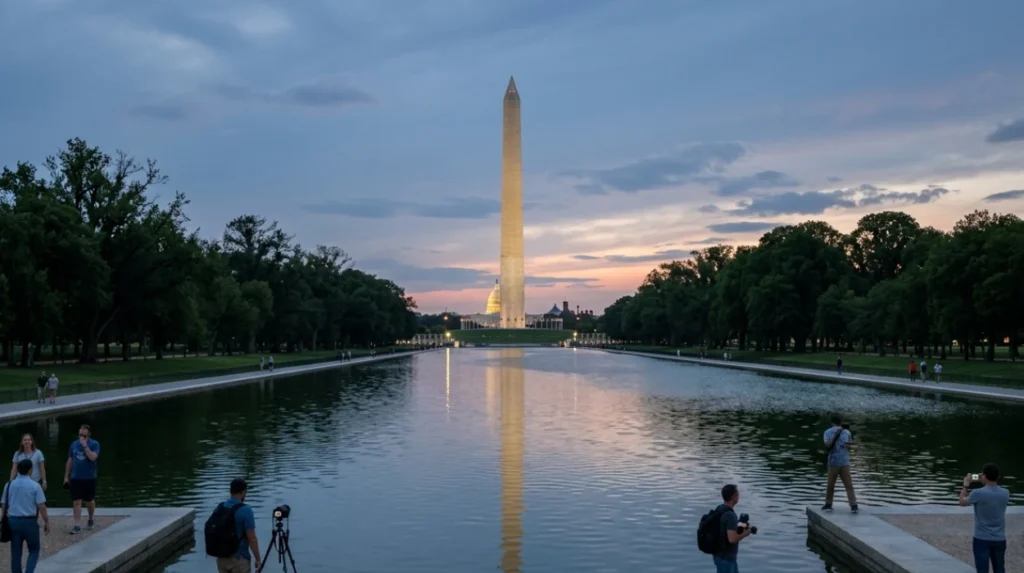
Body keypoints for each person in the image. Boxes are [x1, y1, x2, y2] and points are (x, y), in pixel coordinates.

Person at [2, 458, 51, 573]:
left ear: (18, 470)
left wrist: (2, 520)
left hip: (13, 521)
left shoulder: (9, 485)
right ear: (30, 470)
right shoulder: (35, 486)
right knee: (34, 550)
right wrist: (46, 522)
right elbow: (41, 506)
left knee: (16, 552)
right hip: (29, 522)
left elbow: (4, 505)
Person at [960, 463, 1008, 573]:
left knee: (982, 570)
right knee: (999, 568)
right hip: (1000, 538)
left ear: (984, 476)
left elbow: (962, 502)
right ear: (998, 476)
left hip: (982, 538)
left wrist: (966, 485)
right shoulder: (1005, 493)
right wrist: (985, 479)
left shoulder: (977, 493)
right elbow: (992, 489)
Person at [216, 478, 261, 573]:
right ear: (243, 492)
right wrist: (258, 559)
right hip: (239, 559)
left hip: (221, 558)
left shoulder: (220, 507)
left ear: (230, 491)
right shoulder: (246, 510)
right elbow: (252, 539)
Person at [63, 424, 100, 534]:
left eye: (84, 435)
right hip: (76, 477)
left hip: (89, 477)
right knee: (76, 501)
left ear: (88, 435)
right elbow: (70, 460)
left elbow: (93, 457)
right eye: (80, 435)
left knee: (89, 500)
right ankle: (77, 524)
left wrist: (85, 446)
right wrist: (66, 476)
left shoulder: (94, 444)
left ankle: (91, 519)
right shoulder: (74, 445)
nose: (82, 437)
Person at [821, 413, 858, 512]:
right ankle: (853, 505)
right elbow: (849, 446)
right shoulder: (847, 432)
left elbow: (827, 445)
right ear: (841, 421)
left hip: (833, 462)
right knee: (848, 484)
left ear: (831, 422)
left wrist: (834, 438)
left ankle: (828, 504)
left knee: (830, 484)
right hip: (845, 462)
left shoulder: (827, 432)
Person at [711, 484, 751, 572]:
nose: (739, 496)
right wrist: (746, 533)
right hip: (726, 558)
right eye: (738, 494)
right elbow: (732, 539)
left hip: (719, 555)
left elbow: (724, 531)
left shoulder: (720, 509)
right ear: (734, 496)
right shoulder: (730, 515)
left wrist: (738, 527)